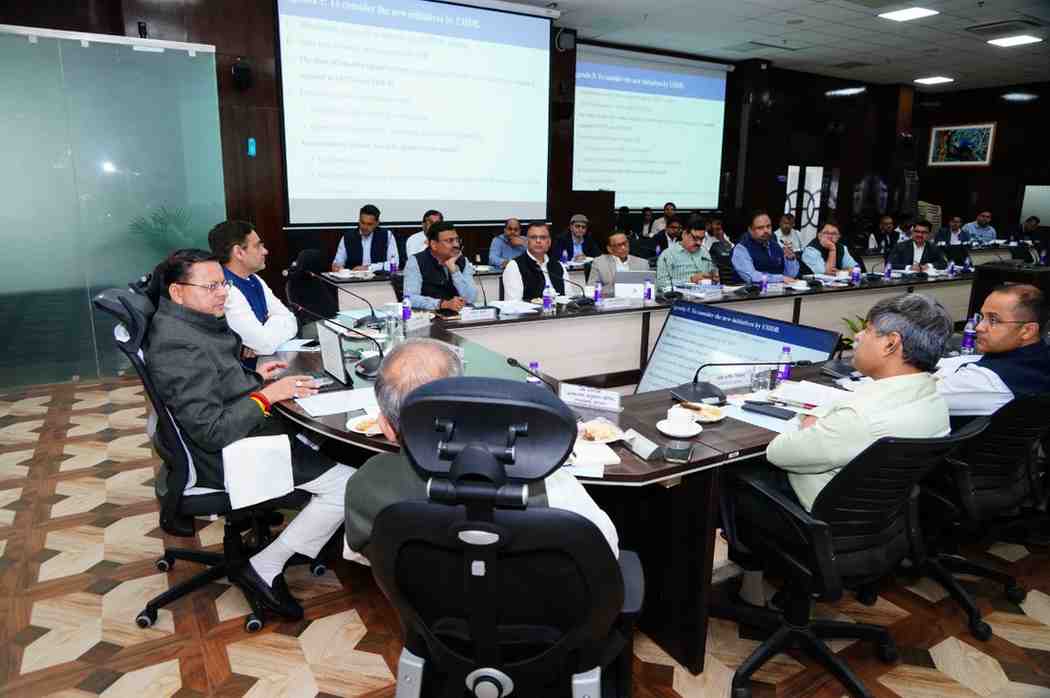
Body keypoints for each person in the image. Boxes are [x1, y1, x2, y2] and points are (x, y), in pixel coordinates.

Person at [147, 249, 354, 620]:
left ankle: (324, 531)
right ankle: (264, 566)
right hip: (220, 456)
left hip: (234, 435)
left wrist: (257, 377)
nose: (222, 293)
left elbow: (215, 381)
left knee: (326, 441)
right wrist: (266, 395)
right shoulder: (178, 344)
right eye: (211, 287)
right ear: (177, 292)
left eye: (222, 284)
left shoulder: (190, 322)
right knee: (346, 484)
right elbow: (212, 431)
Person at [345, 338, 620, 559]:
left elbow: (361, 553)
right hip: (534, 605)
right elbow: (607, 550)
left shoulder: (364, 483)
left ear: (386, 427)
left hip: (422, 606)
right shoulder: (550, 485)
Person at [935, 284, 1050, 420]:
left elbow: (916, 397)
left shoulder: (990, 380)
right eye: (982, 317)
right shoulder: (1037, 356)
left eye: (993, 320)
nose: (979, 327)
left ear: (1027, 331)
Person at [207, 220, 297, 357]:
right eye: (258, 246)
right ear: (239, 252)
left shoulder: (254, 279)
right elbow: (264, 345)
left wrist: (266, 329)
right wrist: (271, 324)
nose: (265, 251)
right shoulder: (226, 289)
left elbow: (291, 320)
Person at [403, 221, 478, 312]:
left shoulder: (462, 261)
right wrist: (443, 304)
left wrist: (455, 271)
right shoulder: (416, 261)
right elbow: (410, 298)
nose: (456, 245)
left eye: (457, 240)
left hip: (458, 316)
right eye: (449, 241)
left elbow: (471, 298)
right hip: (428, 316)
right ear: (434, 245)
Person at [731, 209, 799, 284]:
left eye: (768, 226)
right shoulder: (741, 249)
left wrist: (790, 260)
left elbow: (790, 276)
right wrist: (780, 278)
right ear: (750, 230)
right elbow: (752, 277)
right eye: (760, 228)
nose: (766, 230)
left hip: (778, 289)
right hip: (751, 290)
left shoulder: (775, 246)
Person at [502, 222, 565, 301]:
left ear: (549, 242)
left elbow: (569, 299)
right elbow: (513, 304)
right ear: (527, 241)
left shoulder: (559, 266)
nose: (538, 241)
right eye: (533, 237)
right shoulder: (514, 266)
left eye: (543, 237)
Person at [331, 204, 399, 272]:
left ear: (377, 223)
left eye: (369, 224)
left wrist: (369, 267)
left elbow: (394, 265)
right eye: (362, 223)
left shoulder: (387, 235)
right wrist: (337, 266)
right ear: (359, 220)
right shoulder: (348, 237)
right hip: (354, 277)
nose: (365, 227)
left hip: (378, 277)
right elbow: (338, 262)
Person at [656, 217, 717, 289]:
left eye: (702, 239)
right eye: (695, 238)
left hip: (707, 293)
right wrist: (690, 280)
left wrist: (715, 278)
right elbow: (661, 285)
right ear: (684, 234)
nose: (699, 243)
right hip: (681, 295)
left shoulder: (704, 252)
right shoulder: (668, 255)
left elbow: (712, 275)